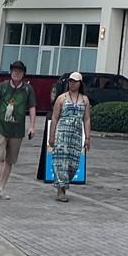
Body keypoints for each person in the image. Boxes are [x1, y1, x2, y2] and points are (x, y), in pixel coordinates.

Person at [0, 60, 36, 201]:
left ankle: (2, 187)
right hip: (1, 127)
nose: (16, 73)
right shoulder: (2, 87)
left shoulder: (27, 89)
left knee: (10, 160)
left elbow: (32, 107)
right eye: (14, 71)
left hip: (17, 130)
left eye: (19, 71)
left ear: (23, 74)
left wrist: (32, 126)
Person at [47, 70, 91, 202]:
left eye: (75, 82)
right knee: (61, 162)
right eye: (71, 81)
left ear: (80, 83)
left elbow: (87, 119)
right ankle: (61, 191)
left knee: (73, 164)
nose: (72, 84)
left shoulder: (84, 100)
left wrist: (87, 138)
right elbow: (55, 117)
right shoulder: (62, 98)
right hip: (62, 133)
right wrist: (51, 136)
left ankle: (65, 184)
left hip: (76, 135)